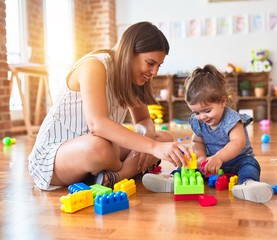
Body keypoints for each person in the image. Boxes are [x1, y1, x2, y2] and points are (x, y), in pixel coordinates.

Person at [28, 21, 189, 191]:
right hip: (56, 157)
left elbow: (143, 119)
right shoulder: (94, 65)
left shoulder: (134, 77)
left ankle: (113, 177)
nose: (155, 72)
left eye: (158, 66)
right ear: (130, 52)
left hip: (103, 151)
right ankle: (123, 171)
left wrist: (149, 138)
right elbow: (98, 125)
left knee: (164, 138)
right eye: (150, 63)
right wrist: (152, 148)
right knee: (102, 148)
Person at [142, 64, 272, 203]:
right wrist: (201, 157)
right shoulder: (198, 121)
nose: (202, 117)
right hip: (210, 162)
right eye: (196, 112)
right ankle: (173, 180)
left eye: (207, 111)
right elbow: (197, 141)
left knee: (250, 164)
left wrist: (219, 158)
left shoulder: (233, 119)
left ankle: (247, 184)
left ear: (222, 102)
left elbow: (238, 142)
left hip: (237, 160)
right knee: (189, 165)